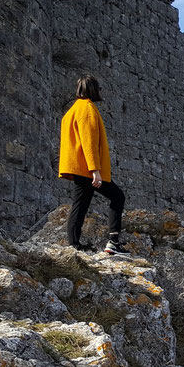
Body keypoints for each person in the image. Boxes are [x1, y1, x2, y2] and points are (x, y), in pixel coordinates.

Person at [58, 75, 129, 256]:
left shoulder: (72, 110)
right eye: (99, 88)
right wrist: (95, 170)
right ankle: (113, 242)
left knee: (80, 205)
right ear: (93, 89)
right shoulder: (87, 109)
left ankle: (74, 244)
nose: (100, 92)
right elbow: (88, 142)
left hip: (78, 167)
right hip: (86, 169)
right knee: (117, 197)